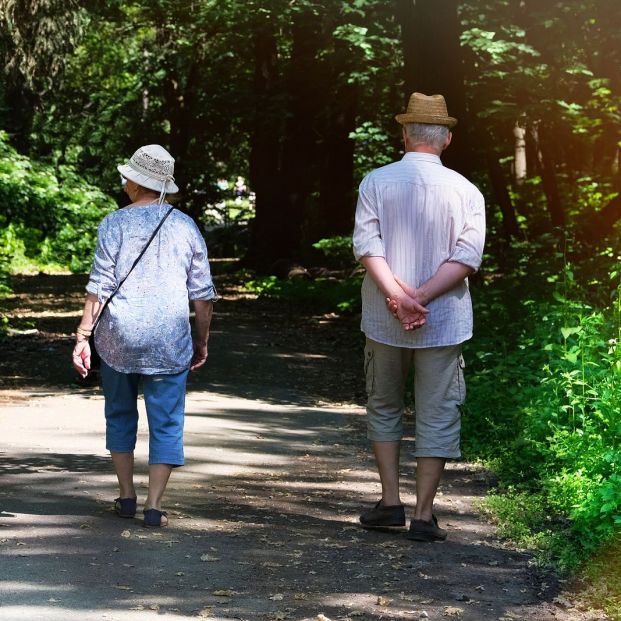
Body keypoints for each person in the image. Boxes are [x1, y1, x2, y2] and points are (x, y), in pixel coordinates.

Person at [353, 93, 485, 541]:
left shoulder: (376, 181)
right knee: (438, 411)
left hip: (384, 317)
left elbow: (367, 246)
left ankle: (390, 502)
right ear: (446, 138)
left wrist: (397, 297)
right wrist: (423, 296)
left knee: (384, 403)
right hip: (443, 318)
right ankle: (424, 515)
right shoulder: (467, 191)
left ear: (405, 133)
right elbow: (467, 256)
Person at [72, 144, 217, 528]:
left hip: (118, 337)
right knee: (167, 421)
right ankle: (153, 507)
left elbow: (99, 286)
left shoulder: (114, 223)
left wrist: (83, 335)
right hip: (170, 340)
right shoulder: (185, 226)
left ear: (136, 182)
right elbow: (202, 296)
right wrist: (201, 340)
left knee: (119, 414)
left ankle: (125, 496)